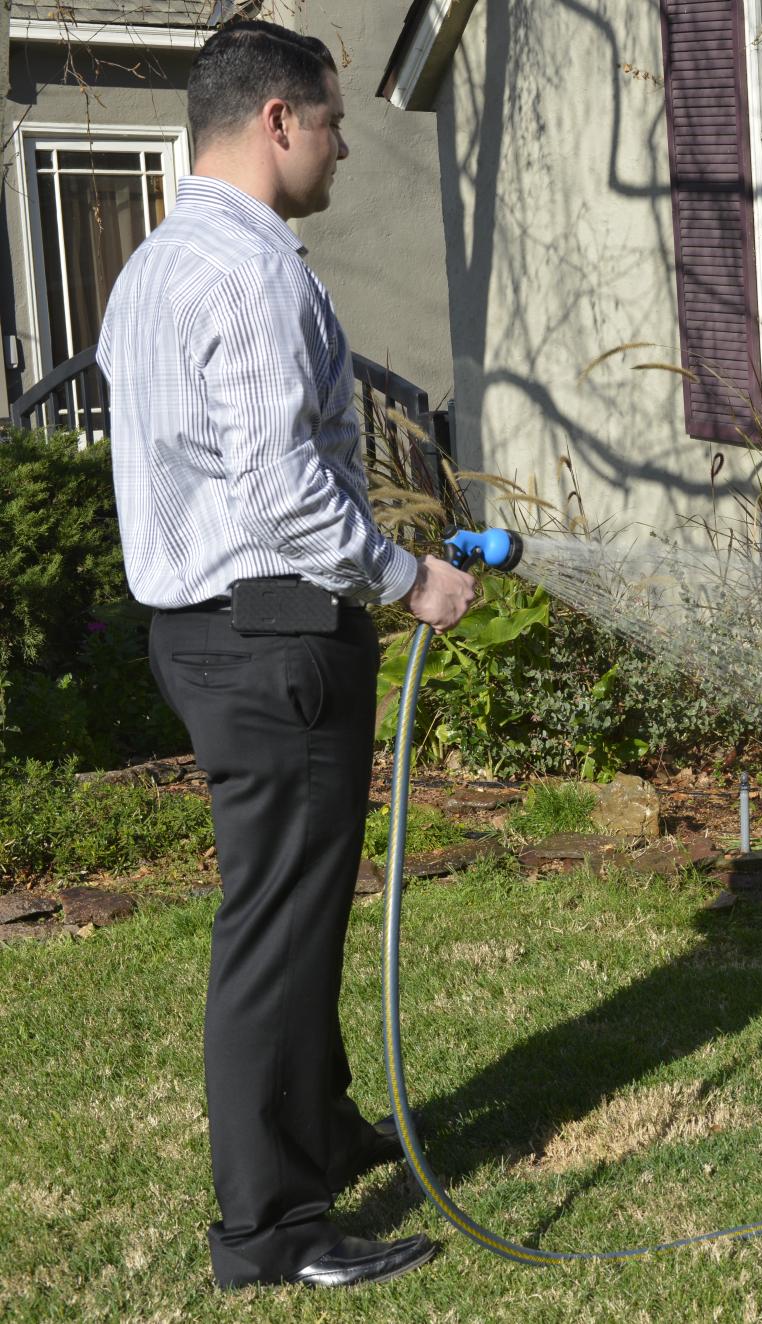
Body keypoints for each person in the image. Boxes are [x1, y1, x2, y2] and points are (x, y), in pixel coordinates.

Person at [98, 19, 478, 1290]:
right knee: (273, 926)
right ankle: (273, 1232)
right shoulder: (252, 273)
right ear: (275, 122)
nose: (342, 145)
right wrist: (406, 576)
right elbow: (279, 490)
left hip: (203, 634)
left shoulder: (151, 265)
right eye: (329, 120)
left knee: (294, 907)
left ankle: (317, 1125)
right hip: (272, 632)